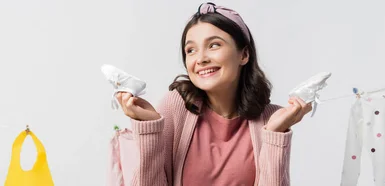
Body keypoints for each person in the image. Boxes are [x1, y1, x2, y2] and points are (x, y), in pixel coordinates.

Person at [115, 2, 312, 186]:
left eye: (214, 45)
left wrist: (275, 135)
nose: (200, 59)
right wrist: (149, 128)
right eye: (191, 50)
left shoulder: (270, 120)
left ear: (244, 55)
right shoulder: (176, 107)